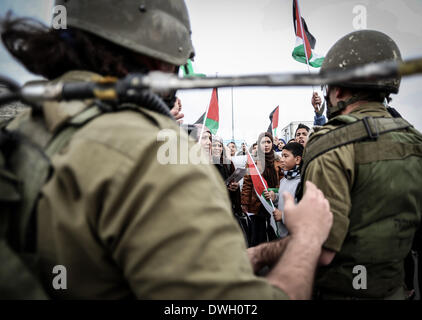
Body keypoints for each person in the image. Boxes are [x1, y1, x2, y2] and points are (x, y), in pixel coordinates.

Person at [0, 0, 334, 300]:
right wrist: (306, 239)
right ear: (159, 49)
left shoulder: (26, 125)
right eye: (180, 65)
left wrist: (257, 255)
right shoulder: (157, 153)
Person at [301, 30, 422, 299]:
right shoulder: (416, 142)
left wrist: (264, 251)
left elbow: (319, 250)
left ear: (339, 89)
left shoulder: (329, 144)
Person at [241, 132, 283, 246]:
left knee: (274, 234)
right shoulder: (253, 162)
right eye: (263, 142)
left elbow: (283, 181)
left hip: (274, 202)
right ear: (259, 144)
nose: (266, 145)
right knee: (258, 237)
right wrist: (244, 203)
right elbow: (247, 184)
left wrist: (275, 194)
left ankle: (275, 260)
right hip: (258, 202)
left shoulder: (279, 160)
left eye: (268, 142)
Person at [212, 135, 250, 245]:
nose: (217, 148)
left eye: (219, 146)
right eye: (214, 145)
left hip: (228, 208)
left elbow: (235, 184)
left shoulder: (228, 163)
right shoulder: (204, 163)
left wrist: (235, 186)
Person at [265, 142, 304, 238]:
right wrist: (275, 198)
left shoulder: (302, 183)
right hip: (282, 233)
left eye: (286, 156)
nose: (281, 159)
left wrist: (283, 216)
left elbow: (304, 213)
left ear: (297, 159)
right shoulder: (284, 179)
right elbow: (283, 200)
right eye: (281, 155)